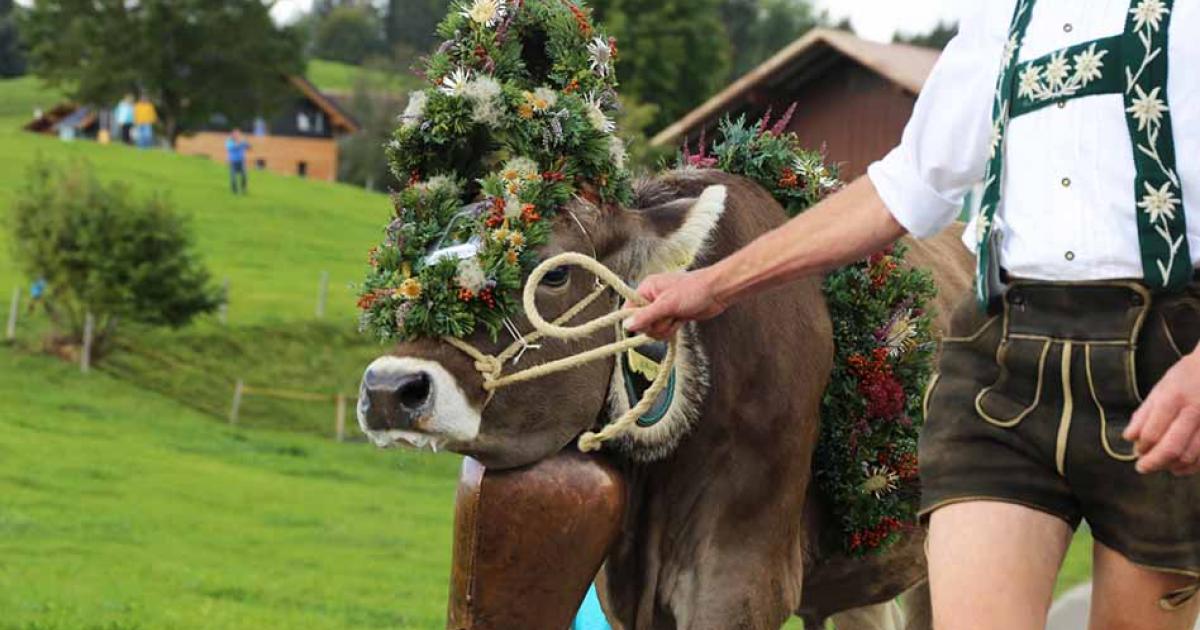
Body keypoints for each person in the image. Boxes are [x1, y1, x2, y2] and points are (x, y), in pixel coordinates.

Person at [626, 2, 1200, 629]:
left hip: (1165, 363)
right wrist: (713, 284)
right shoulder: (1004, 21)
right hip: (1004, 360)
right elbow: (904, 187)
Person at [225, 129, 251, 195]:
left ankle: (243, 188)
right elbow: (231, 148)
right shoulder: (229, 141)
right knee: (233, 177)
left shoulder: (242, 141)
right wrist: (239, 143)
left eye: (238, 134)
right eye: (235, 134)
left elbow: (249, 147)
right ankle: (235, 191)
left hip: (241, 161)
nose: (237, 135)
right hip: (233, 162)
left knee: (244, 175)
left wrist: (247, 144)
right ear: (232, 135)